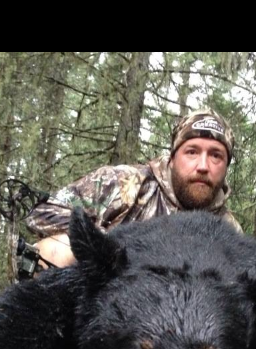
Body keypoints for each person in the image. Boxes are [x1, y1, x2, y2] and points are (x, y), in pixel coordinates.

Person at [26, 108, 241, 269]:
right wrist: (105, 247)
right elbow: (43, 213)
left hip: (178, 318)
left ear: (226, 167)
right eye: (192, 152)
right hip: (101, 298)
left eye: (215, 155)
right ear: (173, 158)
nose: (203, 166)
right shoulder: (123, 183)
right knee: (57, 249)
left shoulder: (229, 230)